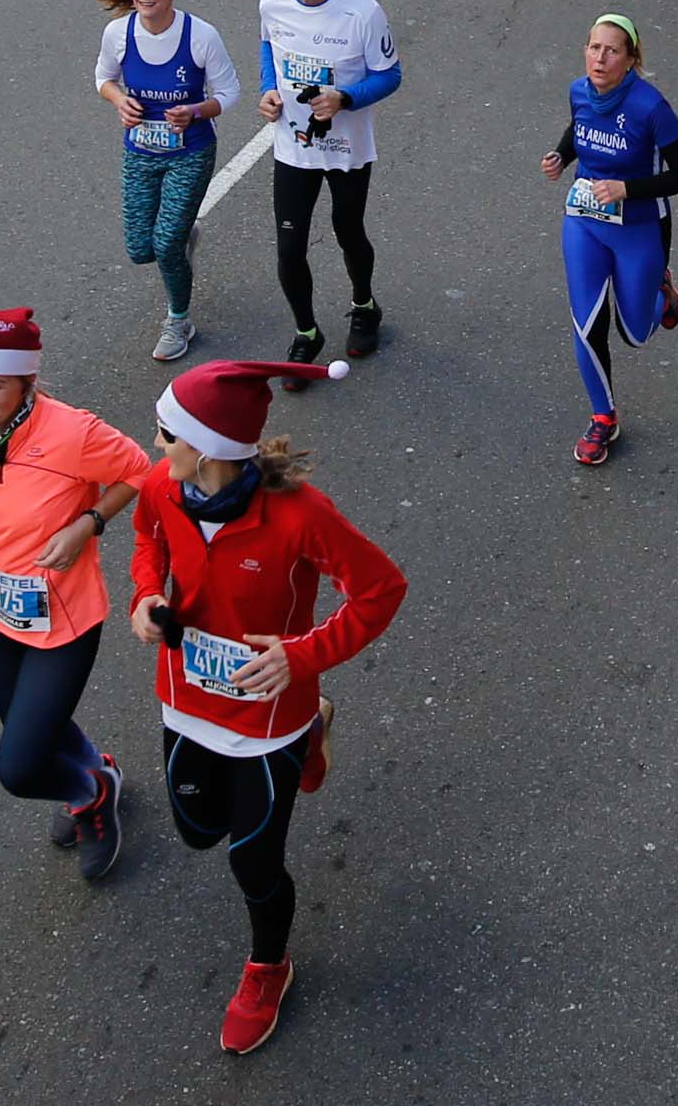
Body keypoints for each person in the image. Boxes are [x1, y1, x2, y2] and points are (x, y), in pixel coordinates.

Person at [130, 355, 406, 1055]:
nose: (157, 445)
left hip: (267, 720)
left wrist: (301, 657)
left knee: (252, 864)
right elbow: (146, 541)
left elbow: (380, 590)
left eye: (168, 433)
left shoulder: (299, 517)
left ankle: (266, 967)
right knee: (196, 830)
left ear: (209, 447)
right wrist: (145, 598)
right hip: (187, 700)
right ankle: (319, 729)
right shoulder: (164, 487)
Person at [0, 308, 150, 882]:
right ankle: (97, 775)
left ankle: (88, 795)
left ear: (27, 384)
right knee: (33, 729)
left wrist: (88, 523)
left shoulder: (73, 432)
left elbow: (138, 470)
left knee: (18, 767)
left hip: (65, 618)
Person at [540, 15, 678, 468]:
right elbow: (580, 130)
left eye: (611, 51)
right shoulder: (578, 91)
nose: (600, 58)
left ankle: (661, 296)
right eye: (593, 48)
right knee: (587, 323)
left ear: (631, 60)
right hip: (584, 223)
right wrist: (560, 155)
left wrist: (629, 190)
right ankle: (603, 417)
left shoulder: (650, 107)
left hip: (639, 228)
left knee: (634, 331)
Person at [86, 0, 240, 364]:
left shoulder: (200, 36)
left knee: (166, 244)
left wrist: (194, 111)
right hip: (140, 152)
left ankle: (179, 321)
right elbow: (103, 77)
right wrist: (118, 99)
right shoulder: (119, 34)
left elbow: (229, 94)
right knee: (141, 248)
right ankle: (182, 236)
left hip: (190, 151)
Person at [259, 0, 400, 376]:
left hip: (346, 147)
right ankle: (306, 333)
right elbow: (268, 46)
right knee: (289, 246)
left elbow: (390, 75)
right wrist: (268, 89)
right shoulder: (272, 2)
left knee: (347, 229)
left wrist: (346, 99)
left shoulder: (363, 13)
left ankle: (364, 305)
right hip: (293, 148)